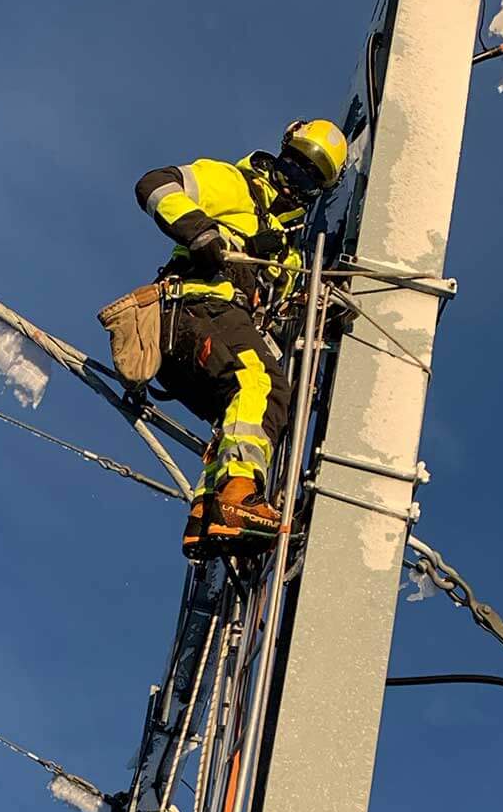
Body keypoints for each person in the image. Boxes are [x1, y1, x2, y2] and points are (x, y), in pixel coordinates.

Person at [135, 118, 349, 559]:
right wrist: (198, 229)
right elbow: (156, 184)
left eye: (310, 180)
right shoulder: (234, 184)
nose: (296, 184)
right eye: (295, 167)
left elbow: (288, 305)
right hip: (198, 308)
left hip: (207, 331)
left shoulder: (287, 251)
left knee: (248, 407)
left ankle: (210, 510)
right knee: (263, 386)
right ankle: (237, 496)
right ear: (281, 155)